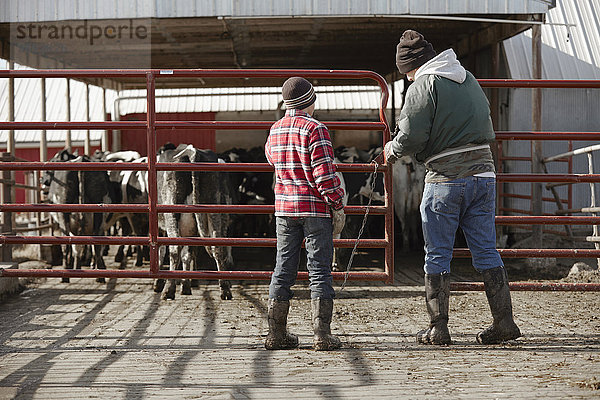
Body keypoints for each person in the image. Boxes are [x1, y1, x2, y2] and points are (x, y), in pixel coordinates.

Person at [384, 30, 521, 345]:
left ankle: (439, 327)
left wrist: (392, 150)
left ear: (410, 66)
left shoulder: (424, 85)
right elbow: (484, 121)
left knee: (437, 252)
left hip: (446, 177)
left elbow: (412, 135)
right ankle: (504, 322)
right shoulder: (468, 78)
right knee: (486, 249)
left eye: (405, 72)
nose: (406, 78)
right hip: (484, 176)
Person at [264, 76, 346, 351]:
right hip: (314, 210)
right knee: (320, 271)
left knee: (283, 269)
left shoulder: (275, 130)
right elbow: (324, 174)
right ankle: (322, 335)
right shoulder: (316, 129)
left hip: (284, 210)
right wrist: (337, 201)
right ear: (311, 101)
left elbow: (272, 160)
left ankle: (276, 334)